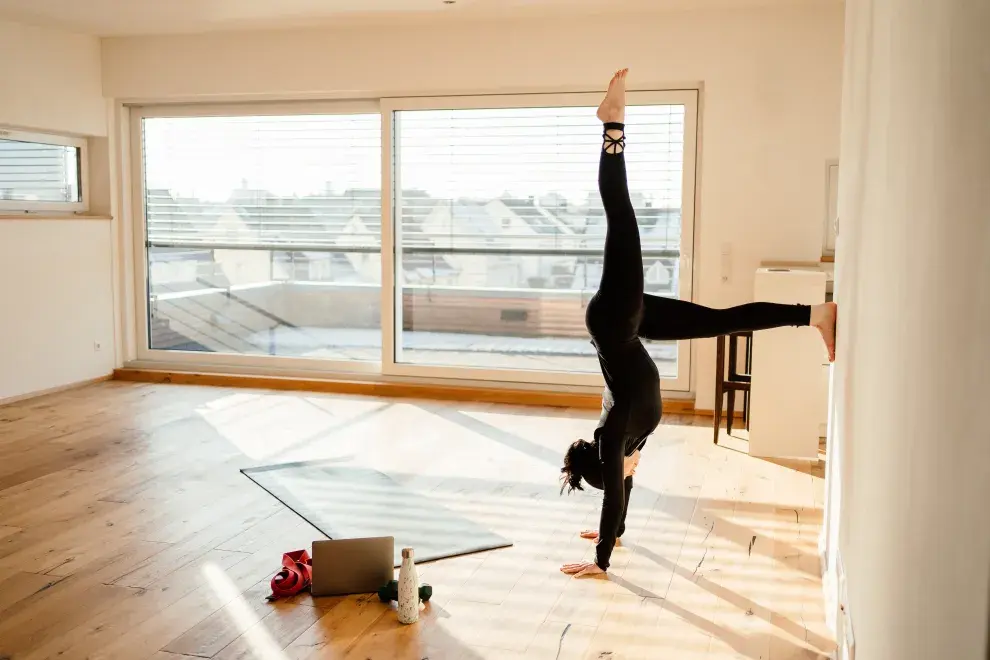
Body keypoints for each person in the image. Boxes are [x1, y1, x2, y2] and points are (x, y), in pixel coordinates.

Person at [560, 69, 837, 579]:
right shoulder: (628, 442)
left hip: (616, 319)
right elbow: (621, 491)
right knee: (720, 322)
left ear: (610, 458)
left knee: (622, 220)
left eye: (621, 473)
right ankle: (816, 314)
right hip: (631, 325)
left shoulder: (617, 431)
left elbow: (616, 489)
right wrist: (614, 535)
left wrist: (599, 558)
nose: (630, 474)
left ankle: (612, 127)